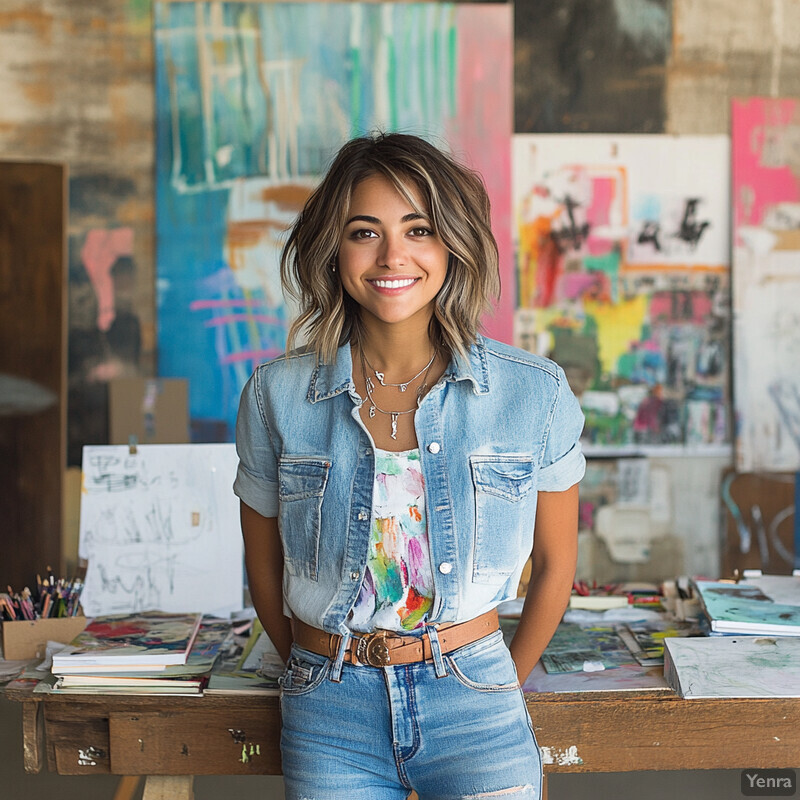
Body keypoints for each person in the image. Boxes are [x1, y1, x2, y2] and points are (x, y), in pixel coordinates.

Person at [233, 132, 585, 800]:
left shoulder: (533, 393)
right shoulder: (274, 396)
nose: (392, 256)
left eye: (417, 229)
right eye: (365, 232)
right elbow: (263, 569)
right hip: (329, 709)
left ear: (451, 241)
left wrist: (494, 677)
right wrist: (311, 665)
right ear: (332, 248)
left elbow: (557, 566)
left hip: (475, 699)